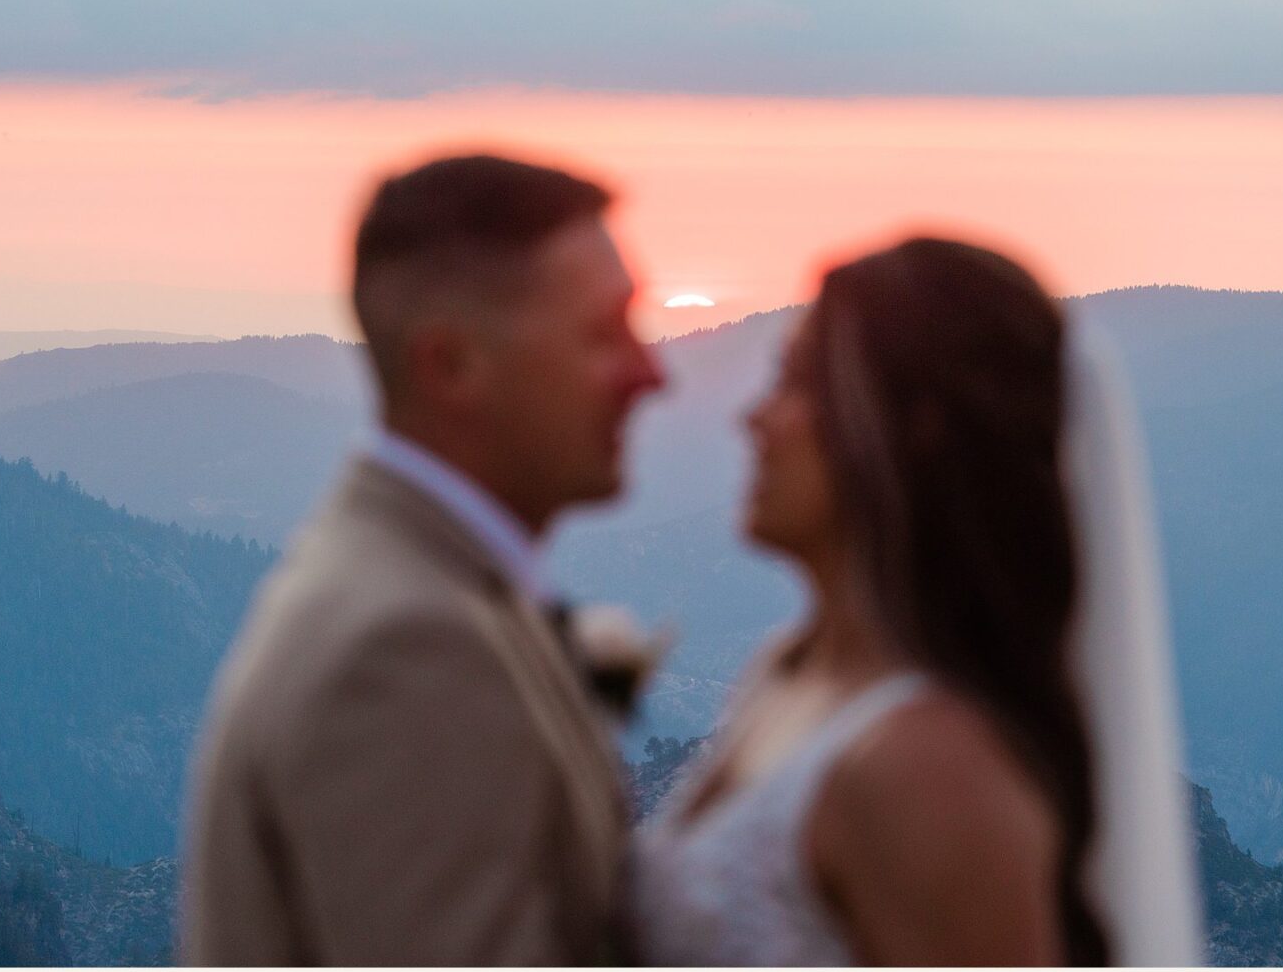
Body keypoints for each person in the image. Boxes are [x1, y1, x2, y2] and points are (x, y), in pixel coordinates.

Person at [629, 236, 1203, 965]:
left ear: (914, 431)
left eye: (799, 384)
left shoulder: (933, 771)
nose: (754, 419)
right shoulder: (789, 668)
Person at [180, 154, 664, 965]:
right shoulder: (407, 647)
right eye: (602, 334)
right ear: (451, 365)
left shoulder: (416, 584)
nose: (651, 374)